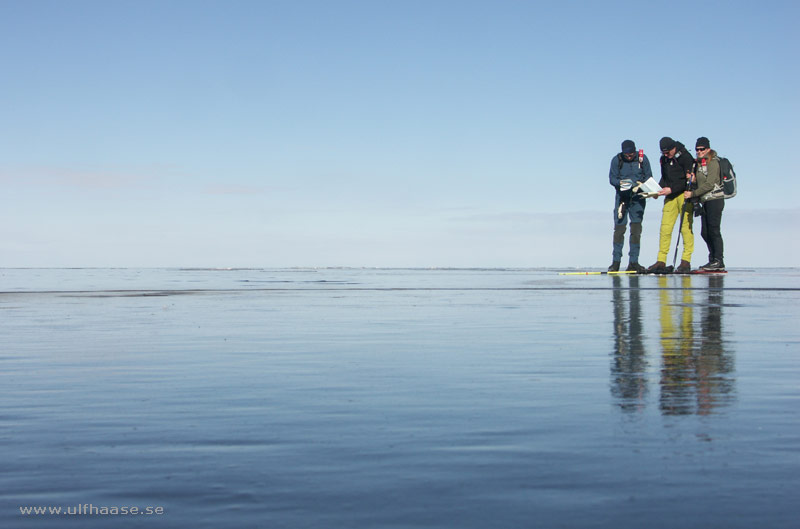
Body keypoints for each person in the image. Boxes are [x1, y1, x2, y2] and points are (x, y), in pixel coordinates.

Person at [646, 137, 695, 274]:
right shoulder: (664, 159)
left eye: (668, 152)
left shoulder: (685, 157)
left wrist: (672, 189)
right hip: (670, 197)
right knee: (665, 229)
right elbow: (665, 178)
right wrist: (657, 190)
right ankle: (661, 261)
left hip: (684, 195)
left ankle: (686, 261)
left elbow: (689, 180)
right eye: (663, 153)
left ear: (674, 148)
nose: (666, 155)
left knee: (685, 228)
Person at [607, 139, 652, 272]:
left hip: (638, 198)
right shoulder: (617, 160)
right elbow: (612, 178)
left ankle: (634, 261)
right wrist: (621, 183)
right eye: (627, 155)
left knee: (636, 230)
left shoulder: (642, 159)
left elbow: (649, 176)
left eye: (631, 154)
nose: (629, 156)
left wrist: (641, 185)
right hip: (622, 198)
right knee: (619, 229)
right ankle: (616, 262)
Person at [685, 137, 725, 270]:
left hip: (715, 199)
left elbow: (709, 184)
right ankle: (713, 259)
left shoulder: (713, 163)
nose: (699, 151)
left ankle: (718, 260)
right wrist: (693, 179)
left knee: (714, 230)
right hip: (705, 201)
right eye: (697, 149)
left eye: (702, 149)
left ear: (708, 149)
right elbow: (700, 183)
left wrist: (693, 194)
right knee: (705, 232)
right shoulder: (699, 164)